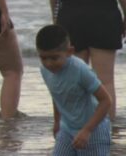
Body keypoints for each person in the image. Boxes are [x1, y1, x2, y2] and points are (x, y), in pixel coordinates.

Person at [36, 24, 112, 155]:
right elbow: (55, 95)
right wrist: (57, 122)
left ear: (69, 52)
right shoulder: (45, 70)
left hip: (94, 130)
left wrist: (87, 130)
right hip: (66, 128)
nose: (49, 63)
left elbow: (106, 101)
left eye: (54, 58)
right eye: (43, 58)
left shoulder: (80, 70)